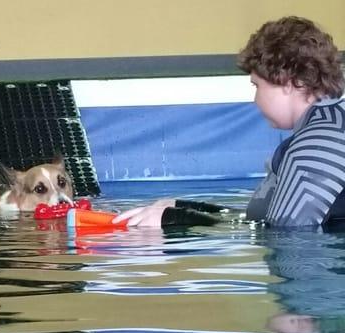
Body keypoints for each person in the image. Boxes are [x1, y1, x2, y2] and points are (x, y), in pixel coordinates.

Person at [113, 16, 345, 229]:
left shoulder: (318, 145)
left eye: (257, 85)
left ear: (289, 82)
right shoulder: (328, 127)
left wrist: (174, 221)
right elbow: (265, 221)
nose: (255, 99)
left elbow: (288, 239)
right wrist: (185, 208)